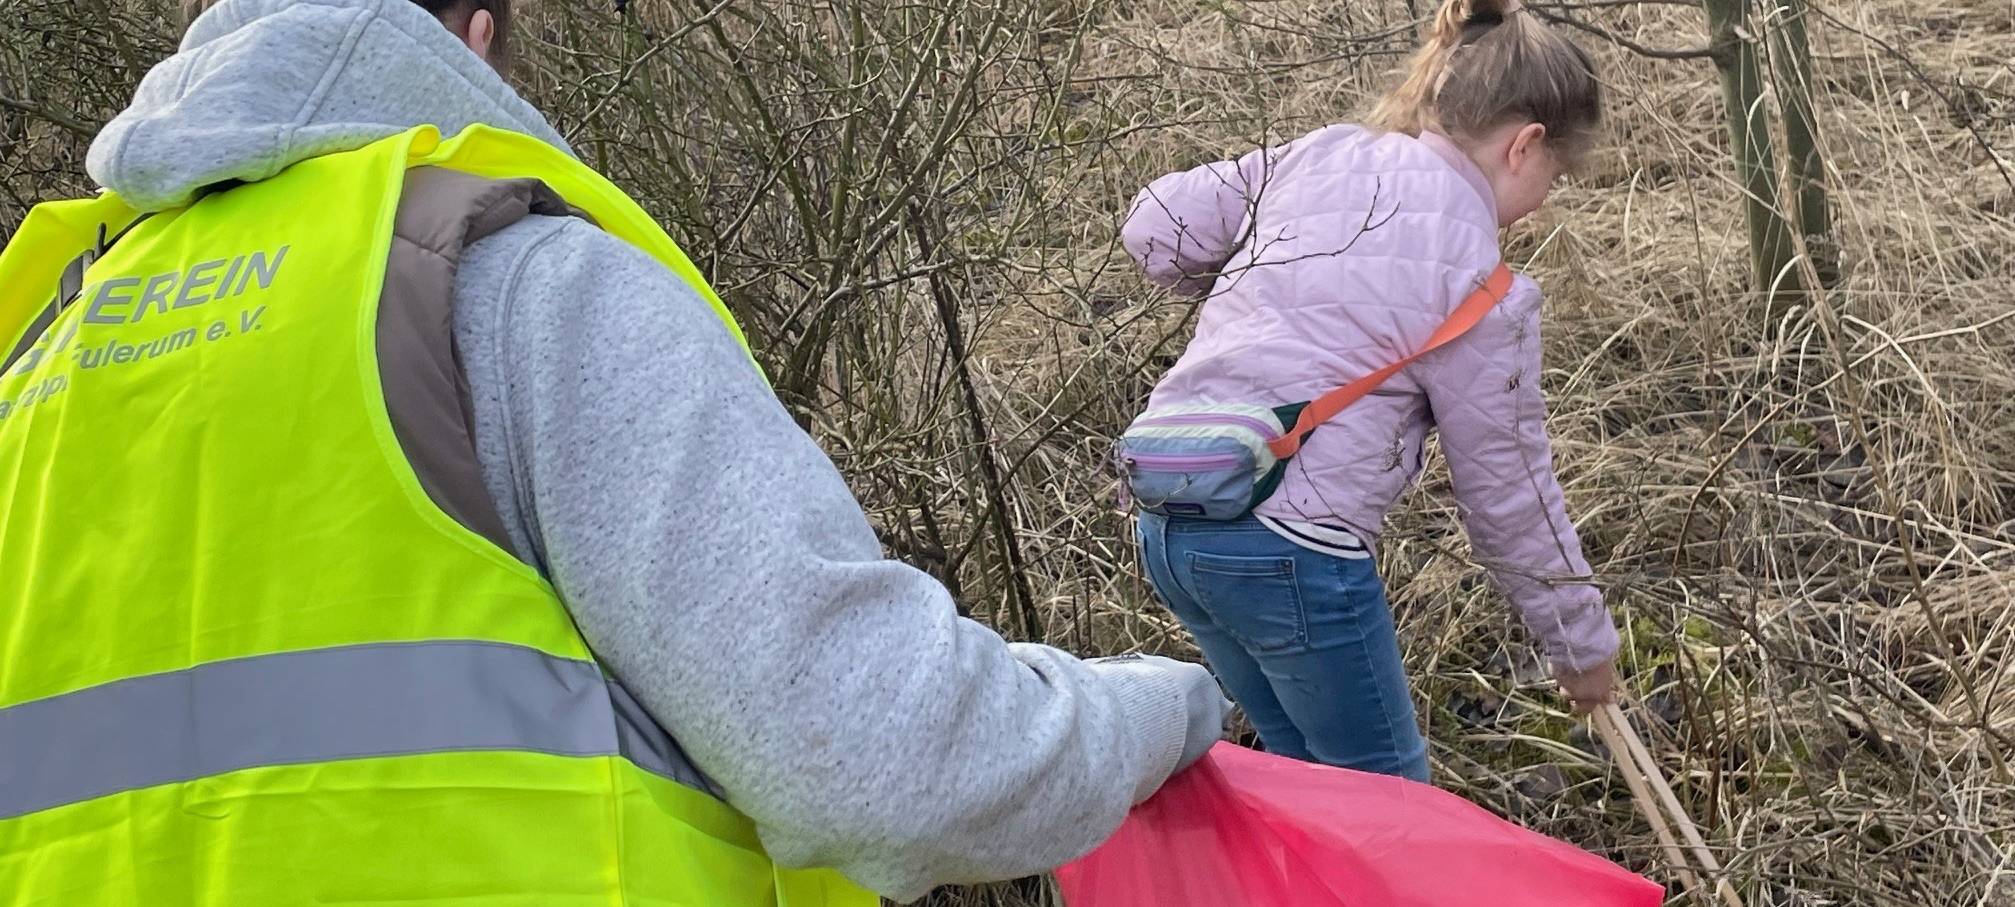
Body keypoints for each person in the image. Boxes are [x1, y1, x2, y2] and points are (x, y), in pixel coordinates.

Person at [0, 0, 1229, 903]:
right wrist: (1158, 712)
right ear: (473, 37)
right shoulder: (505, 279)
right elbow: (873, 755)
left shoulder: (45, 357)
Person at [1118, 0, 1619, 784]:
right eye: (1554, 174)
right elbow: (1508, 494)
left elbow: (1155, 227)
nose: (1545, 199)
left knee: (1306, 787)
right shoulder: (1481, 286)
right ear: (1524, 145)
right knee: (1386, 800)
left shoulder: (1318, 156)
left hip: (1166, 512)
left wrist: (1262, 284)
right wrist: (1581, 647)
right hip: (1289, 551)